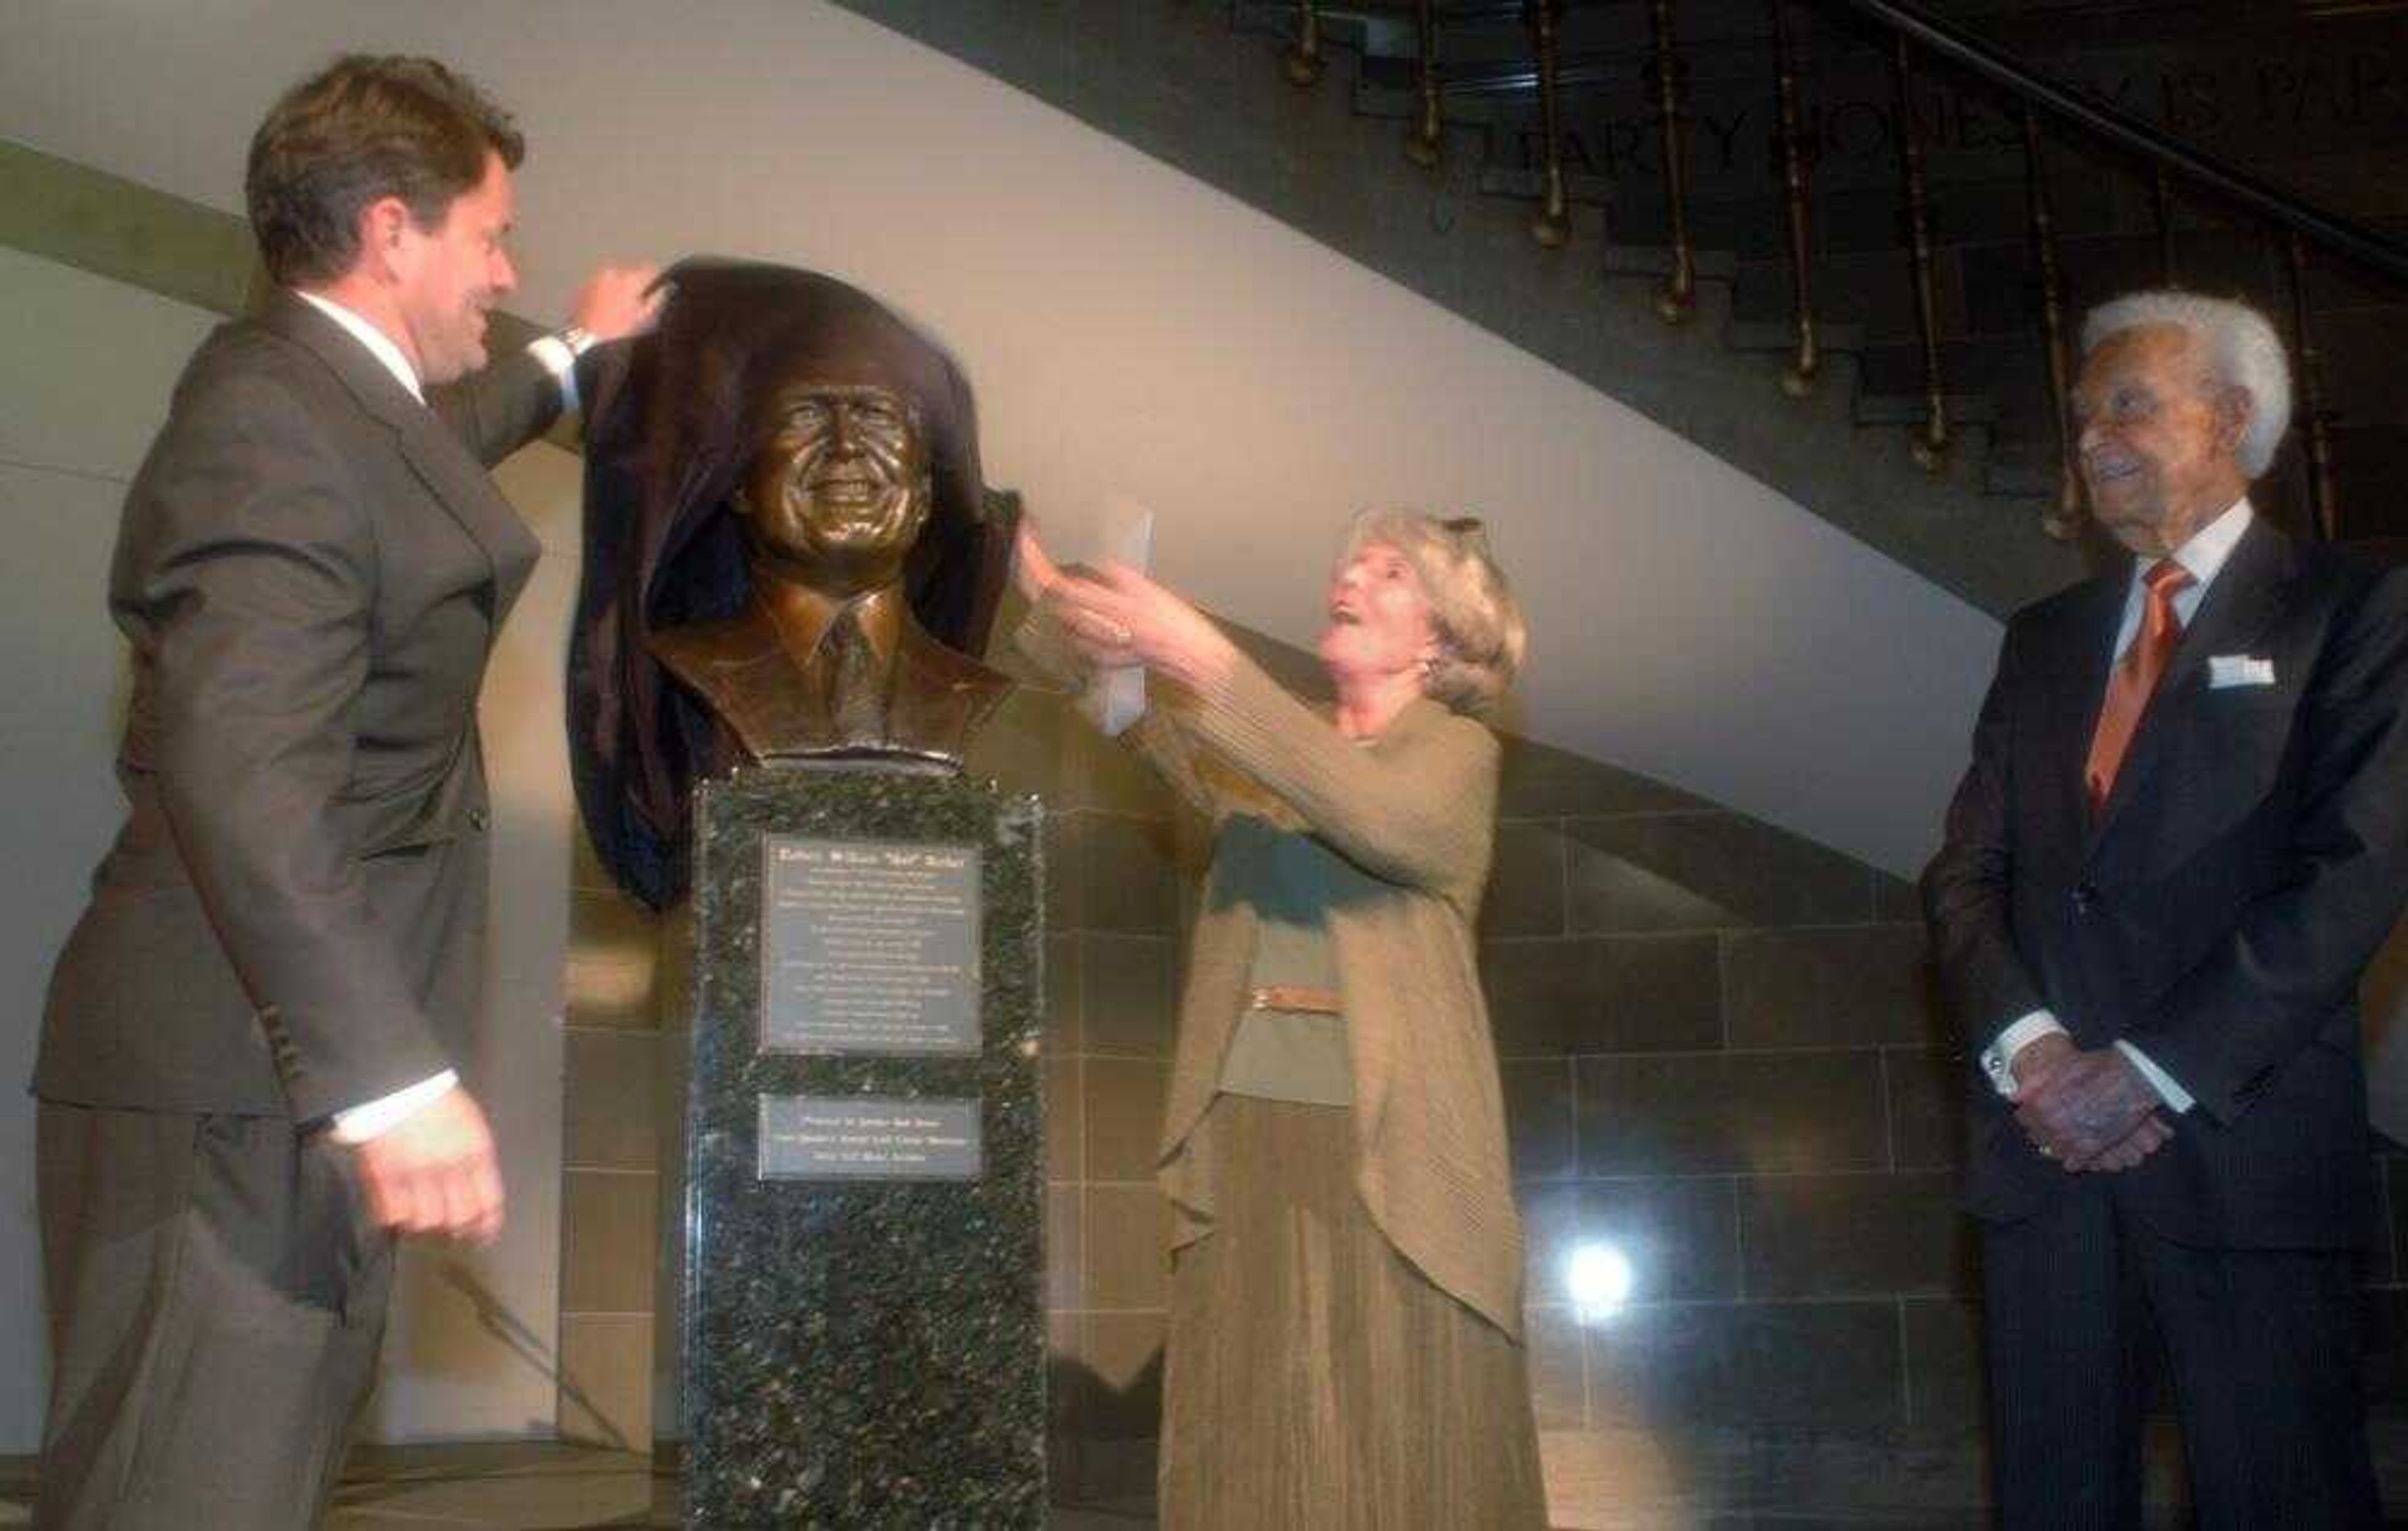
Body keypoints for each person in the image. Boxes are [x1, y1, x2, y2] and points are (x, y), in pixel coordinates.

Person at [30, 55, 660, 1528]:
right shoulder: (273, 426)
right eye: (493, 237)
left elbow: (443, 446)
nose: (507, 270)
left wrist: (578, 351)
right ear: (393, 233)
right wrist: (391, 1075)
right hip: (240, 1097)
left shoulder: (337, 404)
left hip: (266, 1089)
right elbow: (239, 761)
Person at [1923, 289, 2408, 1528]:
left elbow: (2353, 874)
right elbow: (1965, 875)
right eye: (2083, 416)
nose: (2091, 438)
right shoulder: (2042, 639)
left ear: (2232, 420)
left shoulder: (2351, 614)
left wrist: (2145, 1070)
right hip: (2045, 1171)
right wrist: (2038, 1058)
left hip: (2242, 1160)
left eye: (2129, 403)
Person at [1018, 511, 1546, 1527]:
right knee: (1253, 1406)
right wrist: (1050, 598)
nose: (1351, 574)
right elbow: (1144, 726)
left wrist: (1198, 653)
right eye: (1350, 560)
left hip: (1388, 1142)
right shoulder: (1280, 748)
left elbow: (1371, 812)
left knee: (1398, 1410)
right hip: (1246, 1118)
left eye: (1390, 572)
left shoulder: (1456, 755)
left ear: (1441, 637)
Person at [569, 261, 1018, 910]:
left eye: (876, 418)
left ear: (923, 496)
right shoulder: (690, 667)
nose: (845, 448)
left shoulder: (964, 688)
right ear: (741, 488)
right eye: (804, 417)